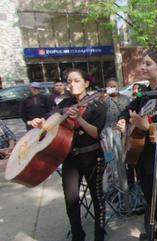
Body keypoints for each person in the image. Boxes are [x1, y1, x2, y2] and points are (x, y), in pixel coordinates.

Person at [30, 69, 107, 241]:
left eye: (76, 80)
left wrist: (79, 119)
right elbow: (50, 119)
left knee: (97, 198)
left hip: (93, 157)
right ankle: (77, 234)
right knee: (70, 199)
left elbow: (96, 133)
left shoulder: (98, 104)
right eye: (69, 81)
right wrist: (41, 123)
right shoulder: (65, 102)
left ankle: (100, 235)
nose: (71, 84)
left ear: (86, 83)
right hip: (70, 157)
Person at [117, 49, 157, 241]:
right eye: (142, 63)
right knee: (151, 201)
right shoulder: (144, 93)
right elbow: (127, 111)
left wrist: (147, 126)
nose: (142, 67)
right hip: (142, 156)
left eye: (148, 64)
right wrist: (123, 122)